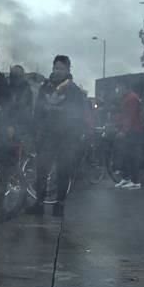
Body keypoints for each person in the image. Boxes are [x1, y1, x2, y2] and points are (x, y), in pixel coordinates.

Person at [26, 55, 87, 217]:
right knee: (42, 170)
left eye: (61, 68)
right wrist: (35, 130)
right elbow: (38, 111)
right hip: (46, 136)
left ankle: (59, 206)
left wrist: (76, 134)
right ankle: (39, 204)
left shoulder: (73, 90)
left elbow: (80, 115)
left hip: (66, 138)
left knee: (63, 172)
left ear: (68, 69)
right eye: (55, 68)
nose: (57, 71)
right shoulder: (45, 87)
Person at [114, 85, 144, 190]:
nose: (118, 91)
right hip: (131, 130)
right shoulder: (127, 98)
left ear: (125, 88)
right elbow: (124, 115)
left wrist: (124, 130)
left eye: (119, 88)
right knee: (126, 155)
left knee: (132, 156)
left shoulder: (132, 98)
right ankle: (127, 178)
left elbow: (130, 116)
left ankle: (135, 181)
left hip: (134, 130)